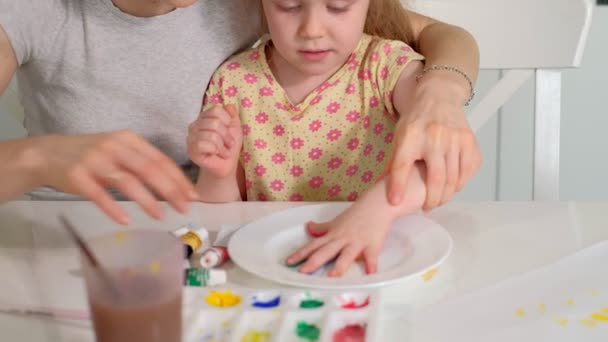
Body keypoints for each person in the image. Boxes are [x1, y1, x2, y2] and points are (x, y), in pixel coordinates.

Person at [0, 0, 480, 226]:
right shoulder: (31, 11)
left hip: (200, 243)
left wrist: (439, 92)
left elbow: (437, 36)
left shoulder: (254, 5)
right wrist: (36, 160)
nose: (312, 28)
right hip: (64, 240)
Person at [188, 0, 479, 276]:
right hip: (276, 264)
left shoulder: (386, 67)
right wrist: (218, 175)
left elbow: (439, 152)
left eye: (338, 6)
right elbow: (222, 218)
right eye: (289, 5)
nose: (312, 29)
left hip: (381, 258)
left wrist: (377, 211)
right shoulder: (233, 81)